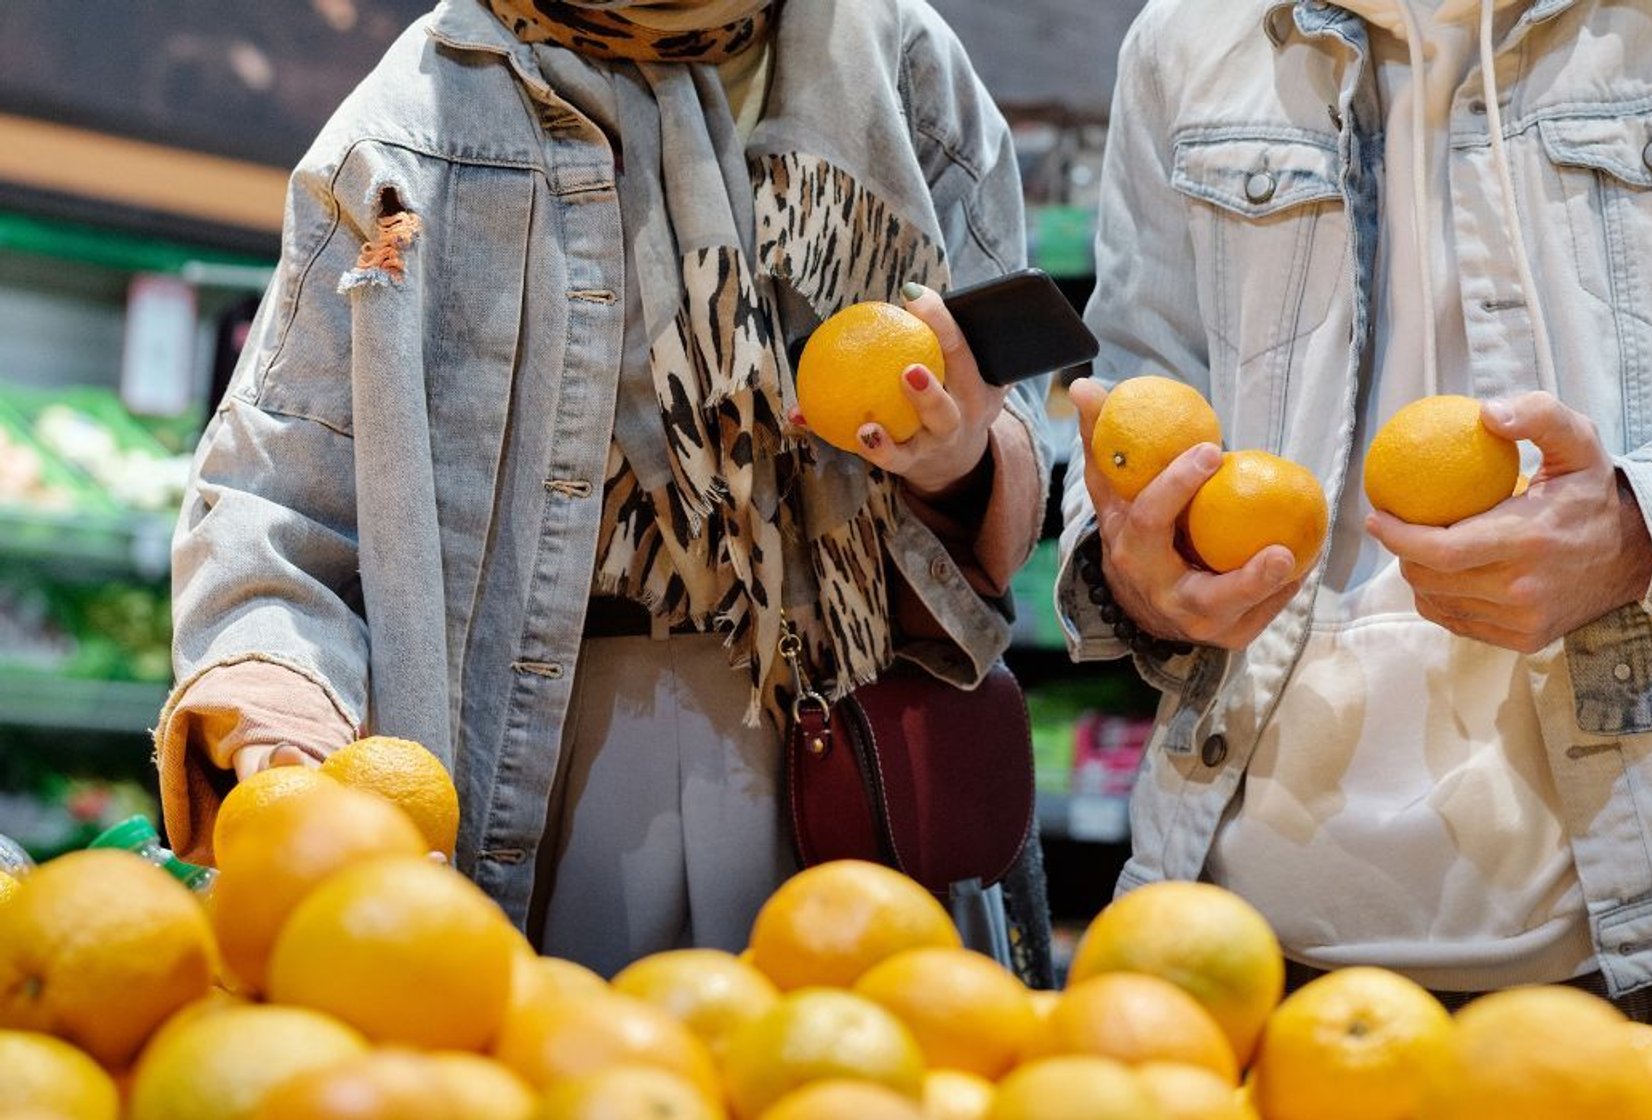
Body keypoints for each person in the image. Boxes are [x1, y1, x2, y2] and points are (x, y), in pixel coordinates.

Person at [1060, 0, 1652, 1053]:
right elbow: (1132, 391)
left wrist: (1645, 530)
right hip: (1233, 941)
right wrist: (1138, 570)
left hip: (1647, 952)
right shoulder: (1191, 38)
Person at [154, 0, 1055, 982]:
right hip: (540, 753)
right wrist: (281, 721)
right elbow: (278, 496)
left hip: (852, 748)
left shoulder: (898, 64)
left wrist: (955, 459)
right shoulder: (418, 122)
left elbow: (1012, 420)